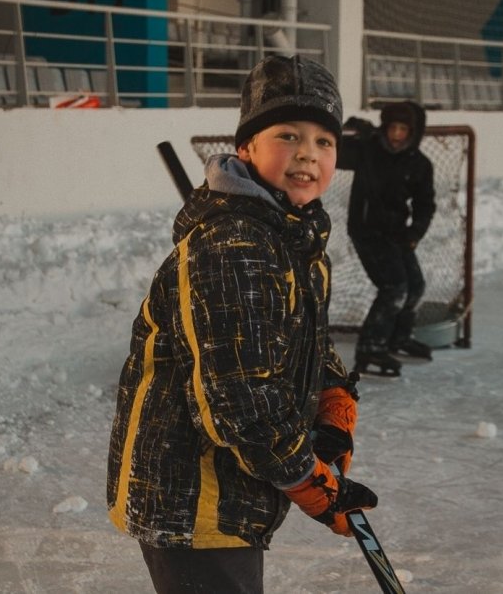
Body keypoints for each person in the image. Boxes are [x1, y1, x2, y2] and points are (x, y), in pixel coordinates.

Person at [106, 55, 378, 594]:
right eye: (288, 135)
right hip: (191, 496)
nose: (308, 153)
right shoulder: (234, 247)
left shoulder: (294, 238)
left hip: (235, 485)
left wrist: (333, 400)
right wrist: (311, 483)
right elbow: (241, 401)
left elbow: (303, 340)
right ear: (246, 148)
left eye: (325, 141)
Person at [337, 100, 437, 376]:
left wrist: (414, 234)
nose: (396, 135)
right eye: (392, 127)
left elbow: (425, 204)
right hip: (366, 231)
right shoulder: (368, 150)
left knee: (415, 286)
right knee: (394, 288)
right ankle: (370, 348)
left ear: (413, 132)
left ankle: (398, 338)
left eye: (403, 129)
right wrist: (347, 132)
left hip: (397, 234)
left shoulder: (419, 165)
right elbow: (332, 150)